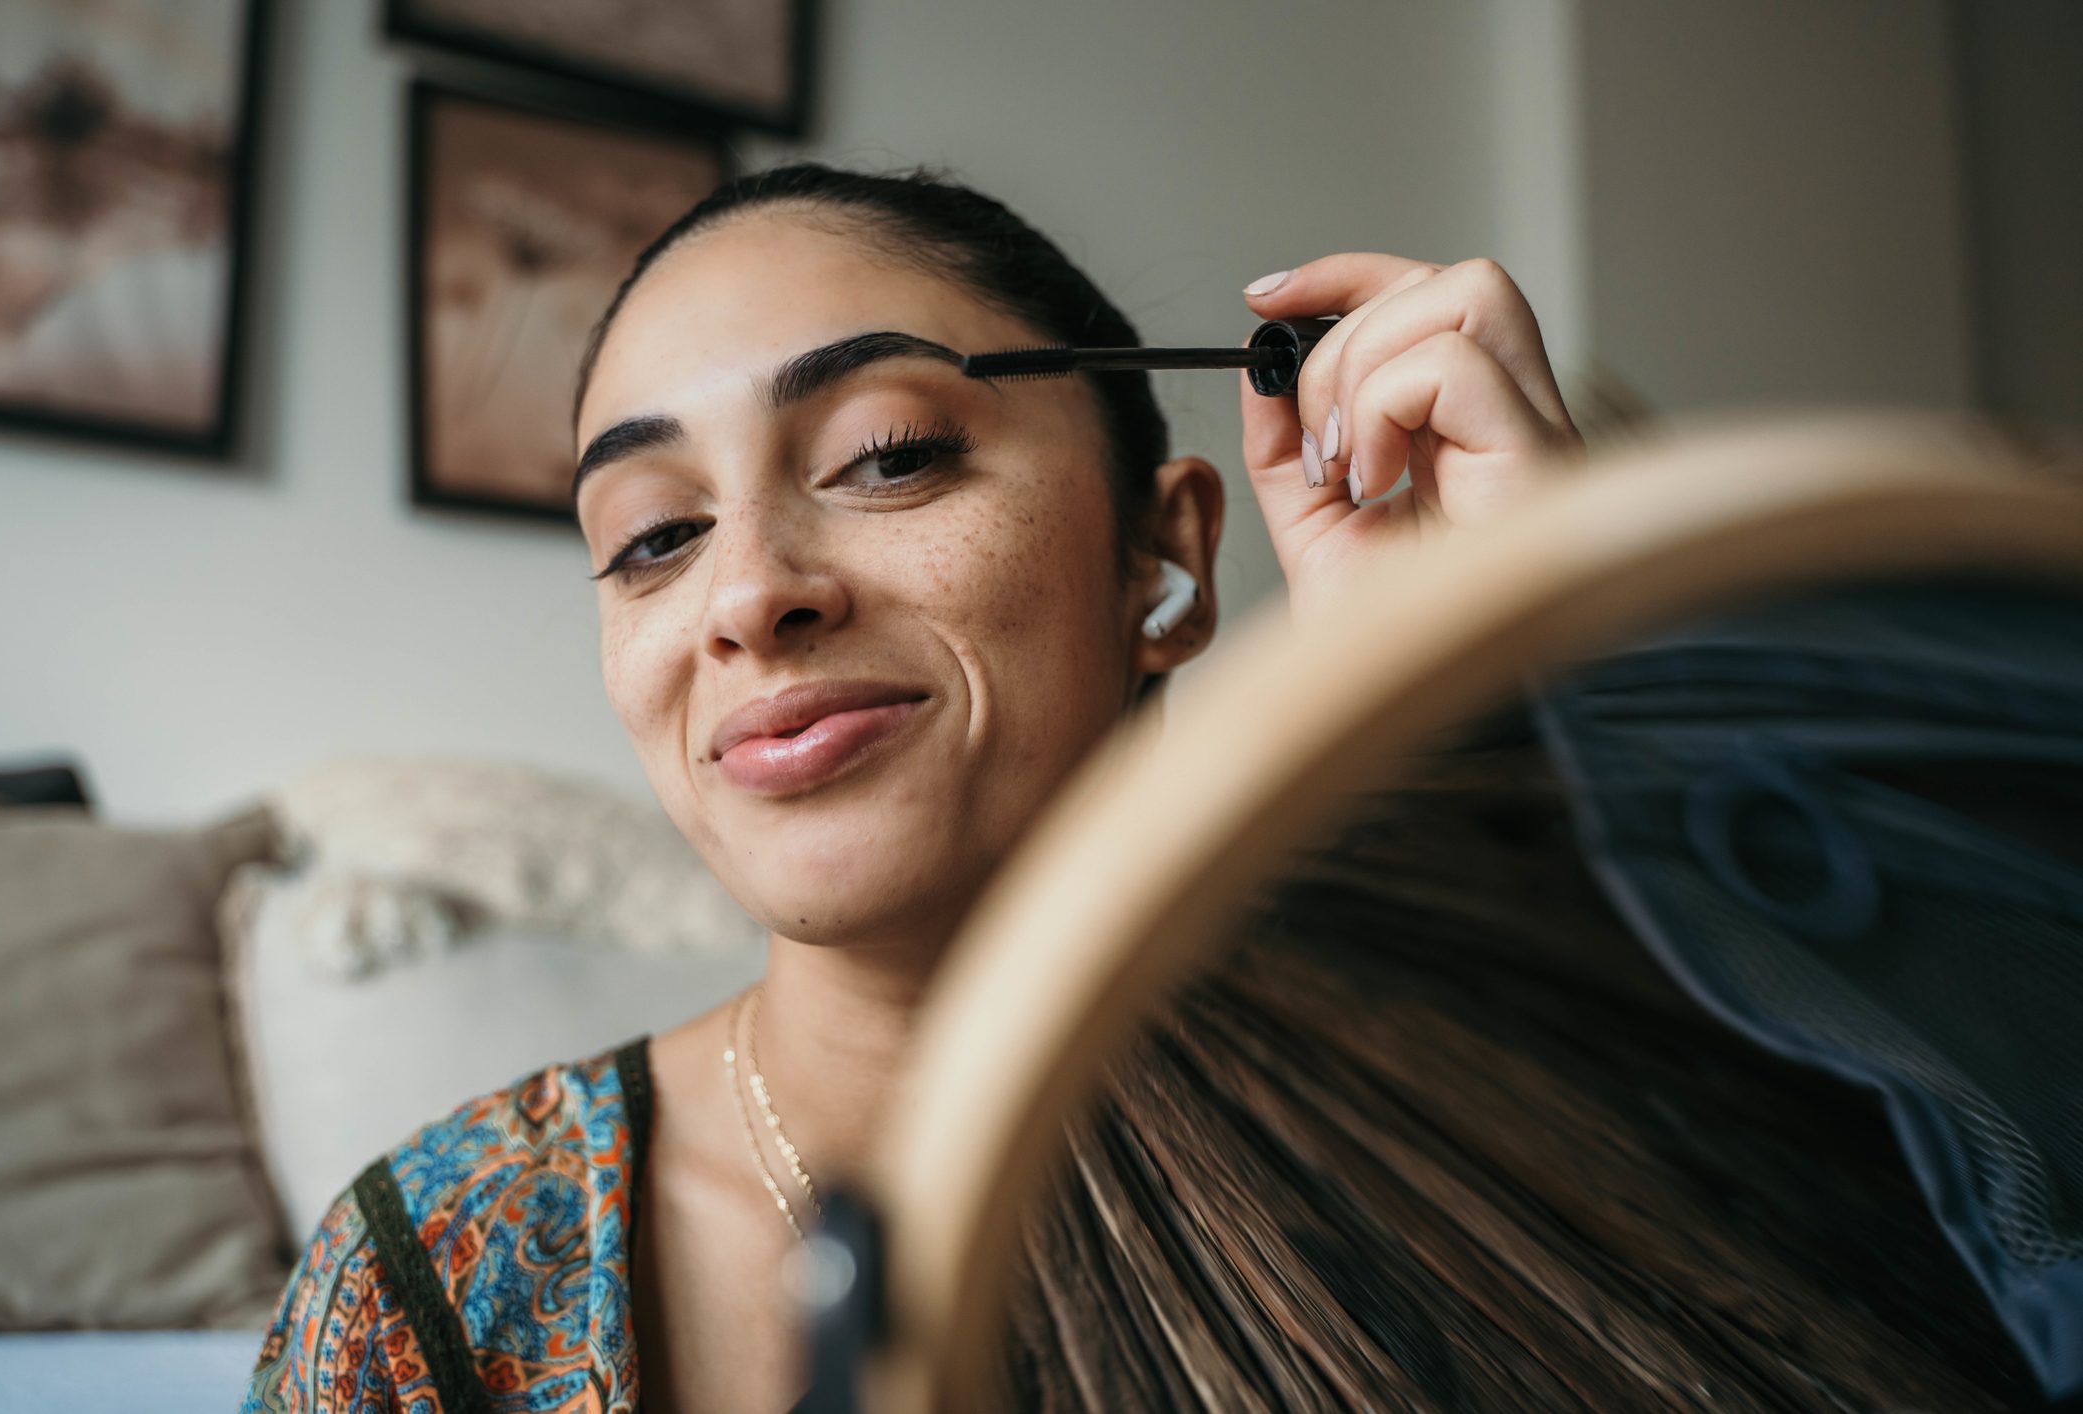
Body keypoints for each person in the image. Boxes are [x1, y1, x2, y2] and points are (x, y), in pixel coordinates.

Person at [236, 160, 1587, 1413]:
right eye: (655, 536)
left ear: (1163, 557)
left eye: (889, 454)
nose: (747, 596)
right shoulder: (426, 1283)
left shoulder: (1492, 1131)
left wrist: (1522, 707)